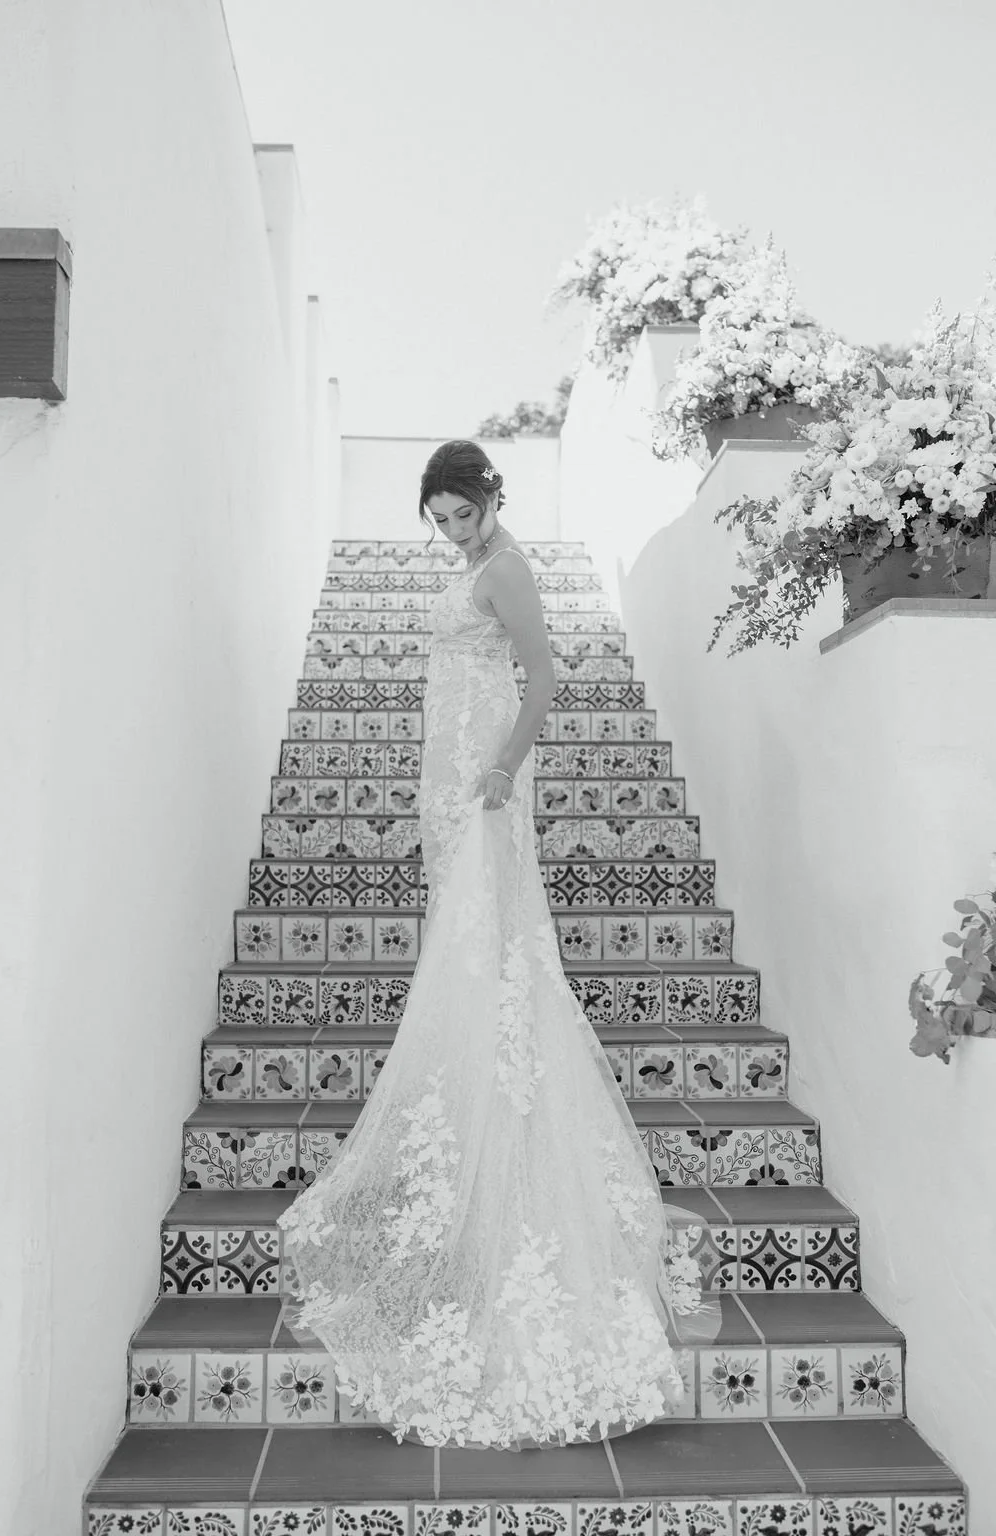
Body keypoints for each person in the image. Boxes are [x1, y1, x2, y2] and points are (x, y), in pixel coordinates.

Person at [278, 439, 721, 1452]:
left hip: (484, 780)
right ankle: (476, 1063)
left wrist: (496, 771)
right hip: (452, 780)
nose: (451, 530)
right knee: (467, 949)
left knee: (493, 949)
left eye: (461, 515)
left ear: (490, 499)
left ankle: (502, 1106)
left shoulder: (511, 566)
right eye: (437, 519)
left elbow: (543, 677)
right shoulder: (468, 566)